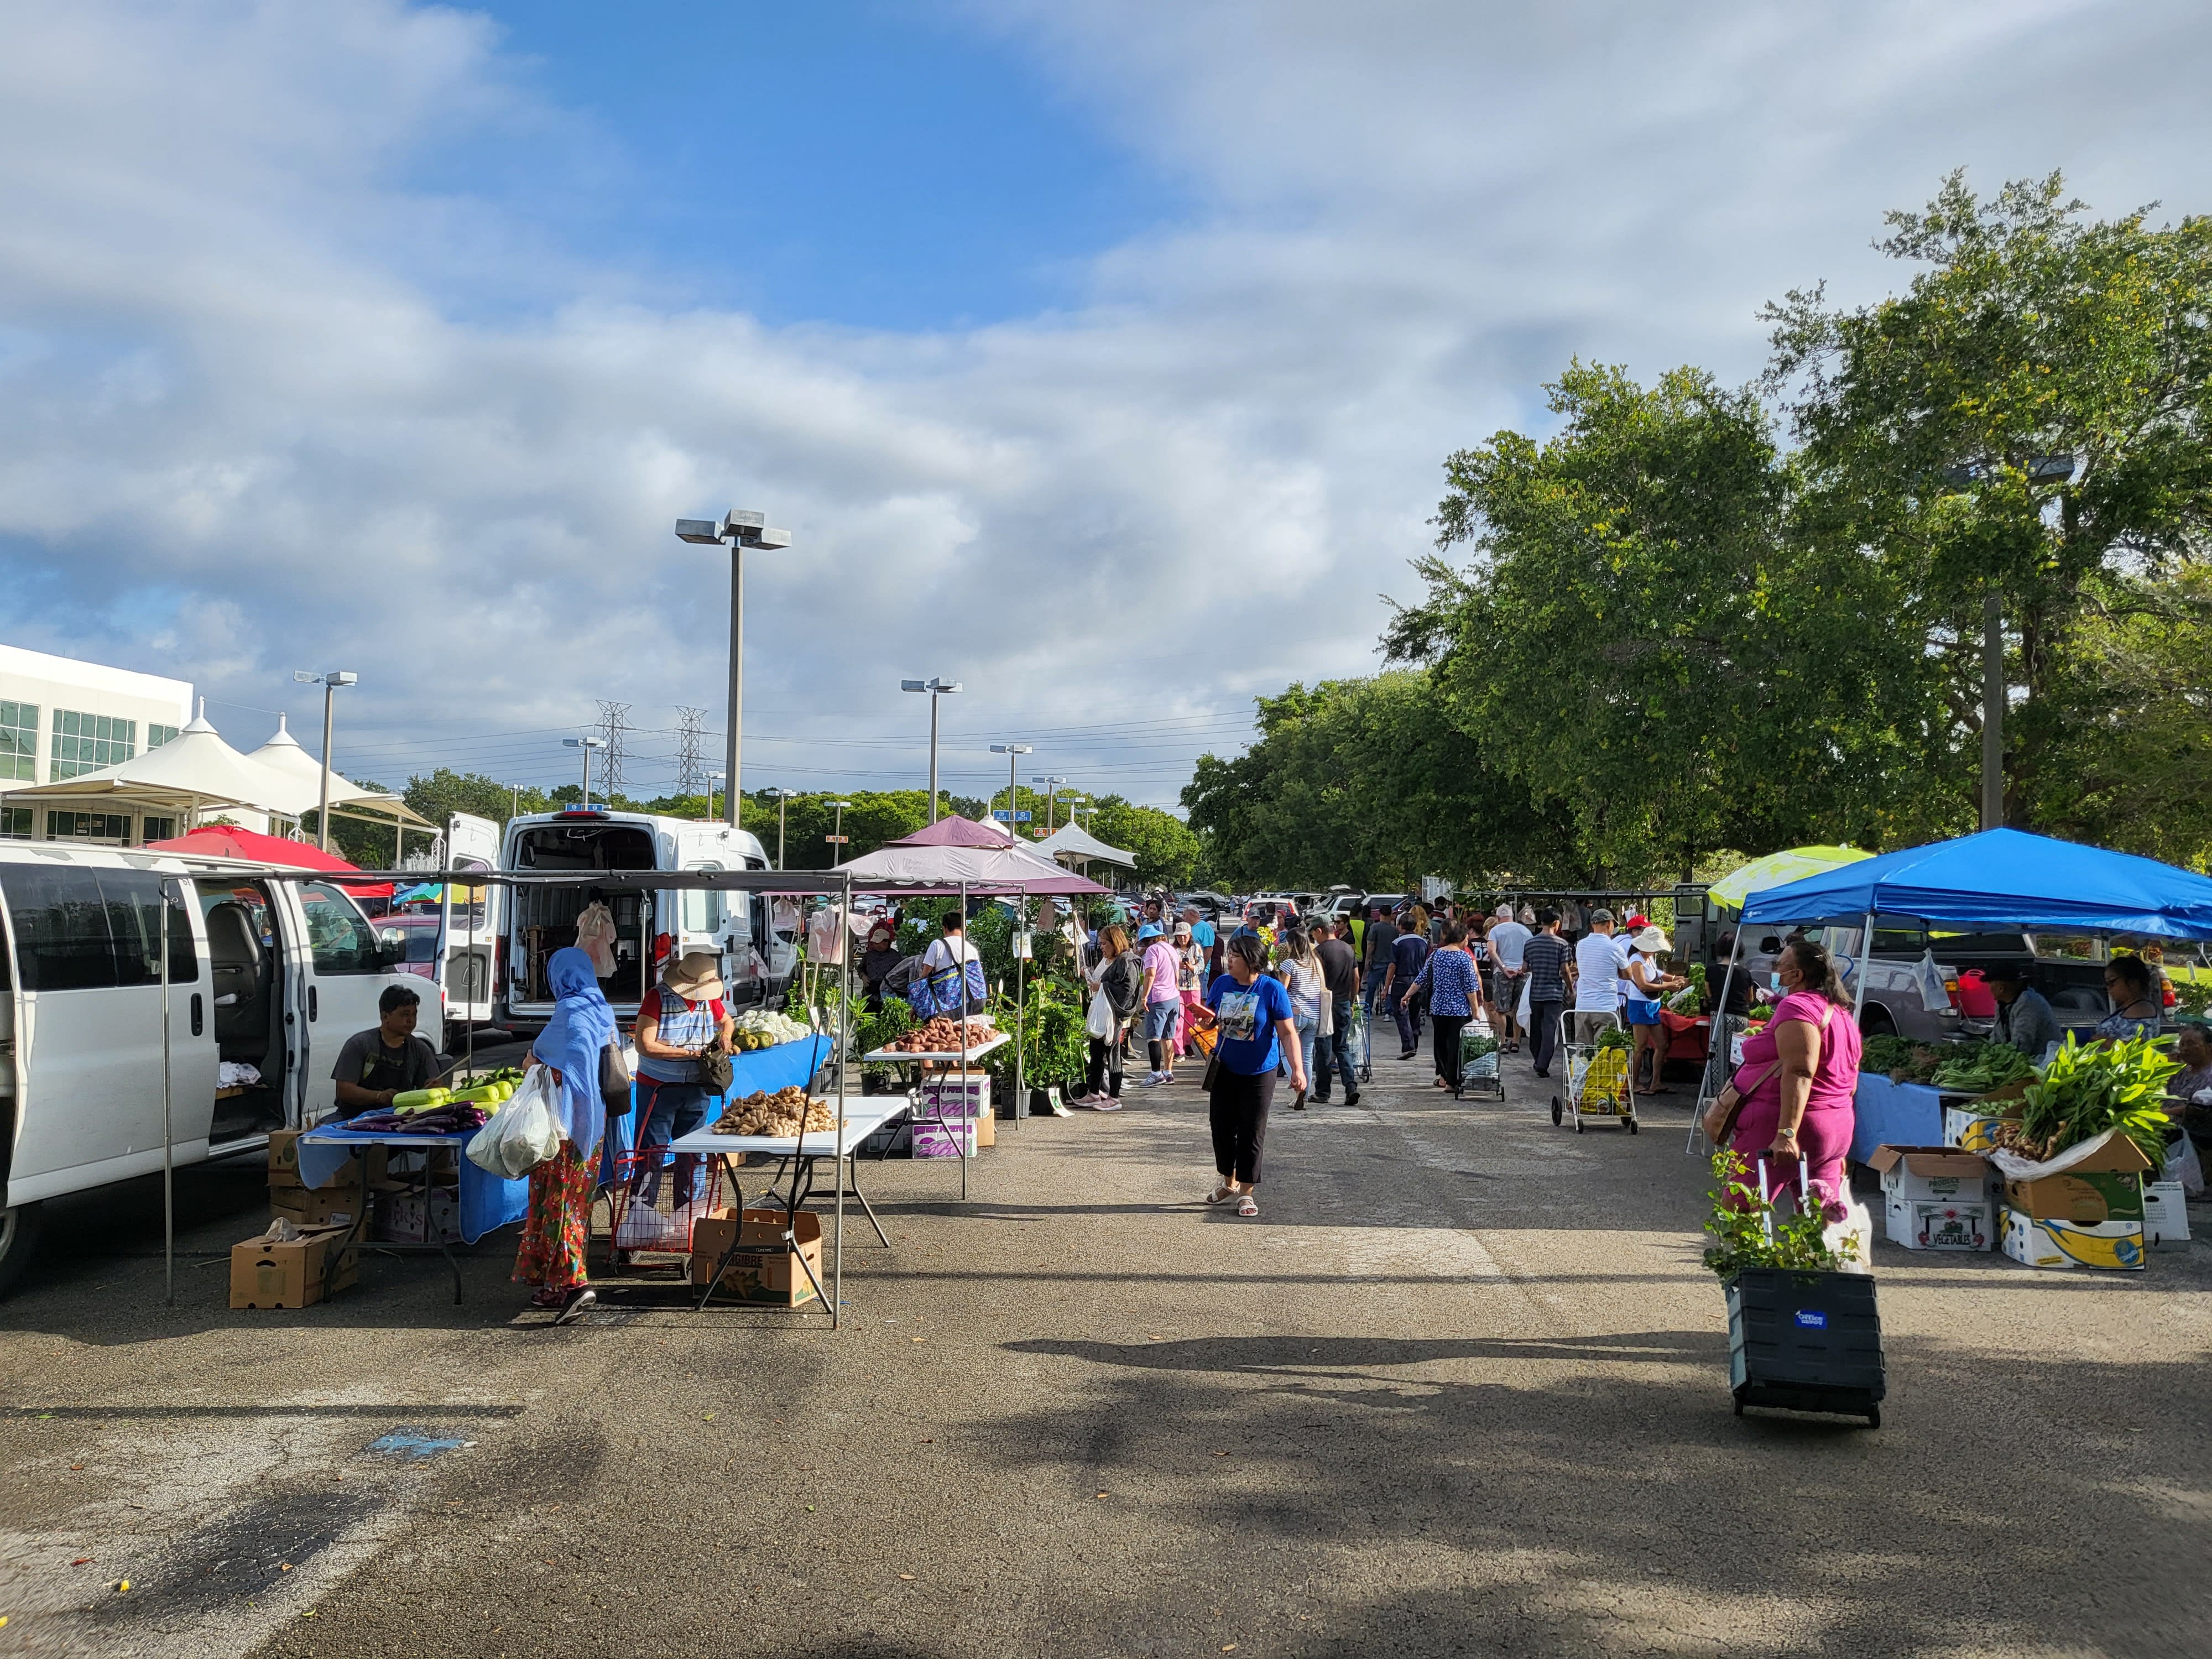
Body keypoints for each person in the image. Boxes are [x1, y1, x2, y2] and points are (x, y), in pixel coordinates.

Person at [1707, 938, 1863, 1215]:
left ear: (1797, 975)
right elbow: (1851, 1079)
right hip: (1835, 1124)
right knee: (1818, 1215)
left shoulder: (1799, 1007)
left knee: (1741, 1207)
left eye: (1779, 965)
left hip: (1789, 1124)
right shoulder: (1841, 1013)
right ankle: (1818, 1259)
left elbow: (1801, 1070)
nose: (1775, 970)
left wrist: (1786, 1133)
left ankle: (1746, 1259)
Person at [514, 947, 615, 1322]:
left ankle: (575, 1285)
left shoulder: (569, 1011)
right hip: (593, 1127)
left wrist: (529, 1061)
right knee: (575, 1202)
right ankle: (555, 1285)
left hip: (562, 1128)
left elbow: (541, 1063)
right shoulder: (601, 1009)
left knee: (558, 1206)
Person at [625, 950, 735, 1238]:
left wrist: (725, 1036)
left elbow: (726, 1022)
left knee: (694, 1155)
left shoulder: (710, 999)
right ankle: (641, 1222)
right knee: (652, 1154)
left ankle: (690, 1223)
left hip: (697, 1087)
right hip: (659, 1088)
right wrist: (688, 1053)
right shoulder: (657, 997)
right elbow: (644, 1045)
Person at [1204, 930, 1307, 1217]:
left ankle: (1246, 1192)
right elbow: (1212, 1018)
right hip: (1224, 1067)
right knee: (1221, 1128)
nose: (1229, 960)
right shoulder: (1222, 984)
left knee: (1251, 1130)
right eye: (1230, 954)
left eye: (1235, 956)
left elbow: (1288, 1033)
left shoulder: (1272, 989)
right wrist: (1205, 1018)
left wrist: (1297, 1069)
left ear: (1252, 961)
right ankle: (1229, 1182)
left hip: (1260, 1071)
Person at [332, 984, 448, 1112]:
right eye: (405, 1015)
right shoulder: (360, 1044)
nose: (411, 1020)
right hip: (353, 1116)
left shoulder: (421, 1050)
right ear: (385, 1017)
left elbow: (433, 1085)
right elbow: (344, 1090)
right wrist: (378, 1096)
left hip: (400, 1115)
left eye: (414, 1014)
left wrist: (434, 1087)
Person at [1406, 919, 1484, 1091]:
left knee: (1440, 1044)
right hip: (1459, 1010)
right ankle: (1451, 1082)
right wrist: (1476, 1010)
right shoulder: (1464, 957)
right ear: (1462, 938)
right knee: (1455, 1045)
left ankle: (1444, 1076)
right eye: (1466, 941)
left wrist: (1407, 994)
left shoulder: (1436, 954)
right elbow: (1471, 987)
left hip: (1438, 1008)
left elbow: (1422, 978)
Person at [1623, 926, 1688, 1100]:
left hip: (1653, 1004)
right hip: (1640, 1005)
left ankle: (1656, 1082)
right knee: (1641, 1046)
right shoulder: (1636, 960)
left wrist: (1675, 979)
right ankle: (1635, 1083)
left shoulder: (1649, 958)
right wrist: (1668, 986)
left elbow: (1659, 974)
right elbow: (1643, 984)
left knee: (1662, 1045)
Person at [1074, 925, 1134, 1109]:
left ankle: (1114, 1097)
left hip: (1113, 1016)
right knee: (1096, 1053)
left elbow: (1127, 990)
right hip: (1100, 1014)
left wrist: (1102, 988)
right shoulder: (1106, 960)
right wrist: (1089, 976)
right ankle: (1094, 1093)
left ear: (1115, 943)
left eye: (1105, 943)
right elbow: (1098, 983)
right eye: (1100, 943)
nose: (1102, 947)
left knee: (1113, 1054)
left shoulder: (1125, 962)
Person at [1312, 919, 1361, 1106]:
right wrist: (1351, 1000)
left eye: (1314, 934)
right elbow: (1356, 977)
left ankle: (1323, 1092)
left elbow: (1316, 980)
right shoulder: (1348, 949)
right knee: (1342, 1047)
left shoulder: (1319, 952)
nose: (1314, 938)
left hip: (1325, 1004)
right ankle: (1351, 1087)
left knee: (1324, 1049)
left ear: (1320, 931)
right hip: (1343, 1003)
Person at [1276, 927, 1325, 1108]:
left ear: (1292, 944)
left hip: (1295, 1014)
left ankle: (1298, 1086)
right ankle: (1302, 1096)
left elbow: (1283, 990)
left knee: (1286, 1054)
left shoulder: (1289, 964)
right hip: (1314, 1015)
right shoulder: (1316, 962)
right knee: (1306, 1057)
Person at [1521, 910, 1573, 1078]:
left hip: (1535, 991)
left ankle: (1538, 1059)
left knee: (1536, 1028)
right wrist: (1571, 990)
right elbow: (1565, 970)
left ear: (1541, 922)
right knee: (1549, 1029)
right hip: (1554, 993)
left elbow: (1524, 968)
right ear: (1556, 923)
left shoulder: (1530, 943)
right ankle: (1543, 1065)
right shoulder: (1562, 944)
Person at [1571, 907, 1629, 1045]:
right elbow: (1628, 975)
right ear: (1609, 924)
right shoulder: (1614, 947)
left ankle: (1582, 1067)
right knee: (1605, 1053)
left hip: (1583, 1006)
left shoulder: (1581, 945)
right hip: (1606, 1007)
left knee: (1583, 1053)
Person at [1136, 922, 1184, 1088]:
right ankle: (1168, 1072)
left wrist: (1144, 997)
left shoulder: (1152, 950)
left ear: (1148, 940)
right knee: (1168, 1037)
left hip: (1159, 998)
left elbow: (1150, 974)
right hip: (1173, 997)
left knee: (1153, 1037)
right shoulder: (1170, 948)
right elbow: (1176, 970)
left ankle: (1156, 1073)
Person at [1987, 961, 2062, 1059]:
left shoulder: (2028, 1003)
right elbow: (1996, 1036)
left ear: (2001, 988)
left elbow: (2022, 1046)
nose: (1989, 988)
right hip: (2020, 1058)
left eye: (1990, 984)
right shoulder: (2002, 1003)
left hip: (2042, 1060)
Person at [920, 911, 985, 1018]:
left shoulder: (937, 945)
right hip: (970, 1006)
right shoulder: (972, 950)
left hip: (946, 1008)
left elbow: (924, 976)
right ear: (964, 928)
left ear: (945, 928)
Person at [1384, 914, 1431, 1060]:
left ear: (1401, 926)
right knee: (1415, 1013)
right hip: (1419, 981)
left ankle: (1408, 1046)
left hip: (1402, 980)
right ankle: (1414, 1044)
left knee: (1401, 1013)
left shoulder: (1397, 943)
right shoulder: (1423, 942)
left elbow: (1392, 966)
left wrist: (1386, 988)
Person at [1487, 905, 1531, 1053]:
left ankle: (1504, 1041)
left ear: (1498, 918)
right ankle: (1516, 1041)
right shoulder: (1525, 931)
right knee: (1517, 1009)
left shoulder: (1495, 930)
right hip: (1522, 974)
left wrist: (1504, 967)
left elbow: (1491, 952)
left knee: (1501, 1010)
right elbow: (1530, 952)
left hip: (1502, 974)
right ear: (1513, 916)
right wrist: (1523, 969)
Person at [2096, 954, 2162, 1042]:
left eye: (2112, 982)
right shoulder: (2129, 1007)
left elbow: (2134, 1049)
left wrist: (2099, 1040)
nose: (2108, 987)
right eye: (2107, 983)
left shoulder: (2142, 1012)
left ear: (2133, 983)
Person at [1361, 905, 1397, 1016]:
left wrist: (1367, 960)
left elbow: (1371, 944)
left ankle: (1368, 1010)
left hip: (1377, 962)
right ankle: (1388, 1012)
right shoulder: (1395, 930)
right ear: (1390, 914)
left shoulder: (1374, 927)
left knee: (1371, 987)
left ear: (1380, 914)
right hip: (1391, 963)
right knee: (1388, 988)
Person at [858, 921, 904, 1009]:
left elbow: (901, 975)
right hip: (869, 995)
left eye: (878, 943)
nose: (876, 946)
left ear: (886, 942)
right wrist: (863, 976)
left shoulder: (896, 957)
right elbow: (861, 968)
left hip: (887, 996)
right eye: (874, 943)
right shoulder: (869, 955)